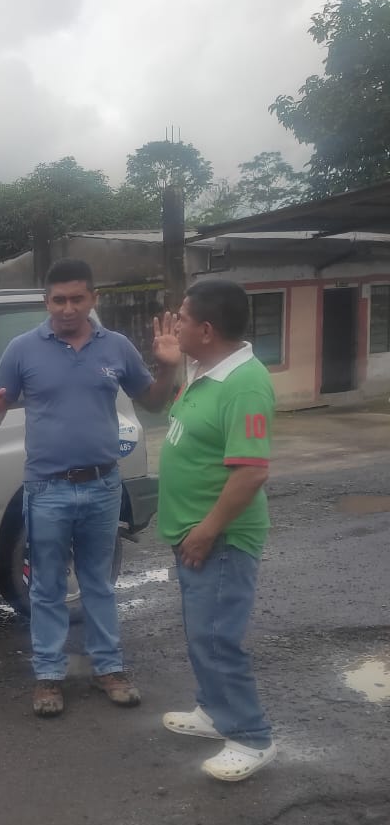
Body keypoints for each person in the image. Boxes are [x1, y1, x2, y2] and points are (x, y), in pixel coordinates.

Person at [0, 259, 181, 716]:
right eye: (59, 300)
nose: (68, 308)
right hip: (47, 488)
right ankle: (49, 675)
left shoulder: (117, 347)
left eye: (77, 299)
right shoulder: (23, 350)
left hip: (103, 485)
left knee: (98, 583)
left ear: (93, 299)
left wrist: (167, 369)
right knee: (46, 586)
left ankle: (109, 668)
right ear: (46, 302)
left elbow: (153, 403)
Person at [157, 279, 277, 782]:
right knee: (201, 633)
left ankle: (251, 737)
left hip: (220, 538)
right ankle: (213, 711)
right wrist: (172, 364)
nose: (175, 324)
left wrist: (207, 530)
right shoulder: (204, 371)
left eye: (182, 318)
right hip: (195, 534)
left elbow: (251, 472)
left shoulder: (244, 384)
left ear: (206, 330)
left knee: (217, 638)